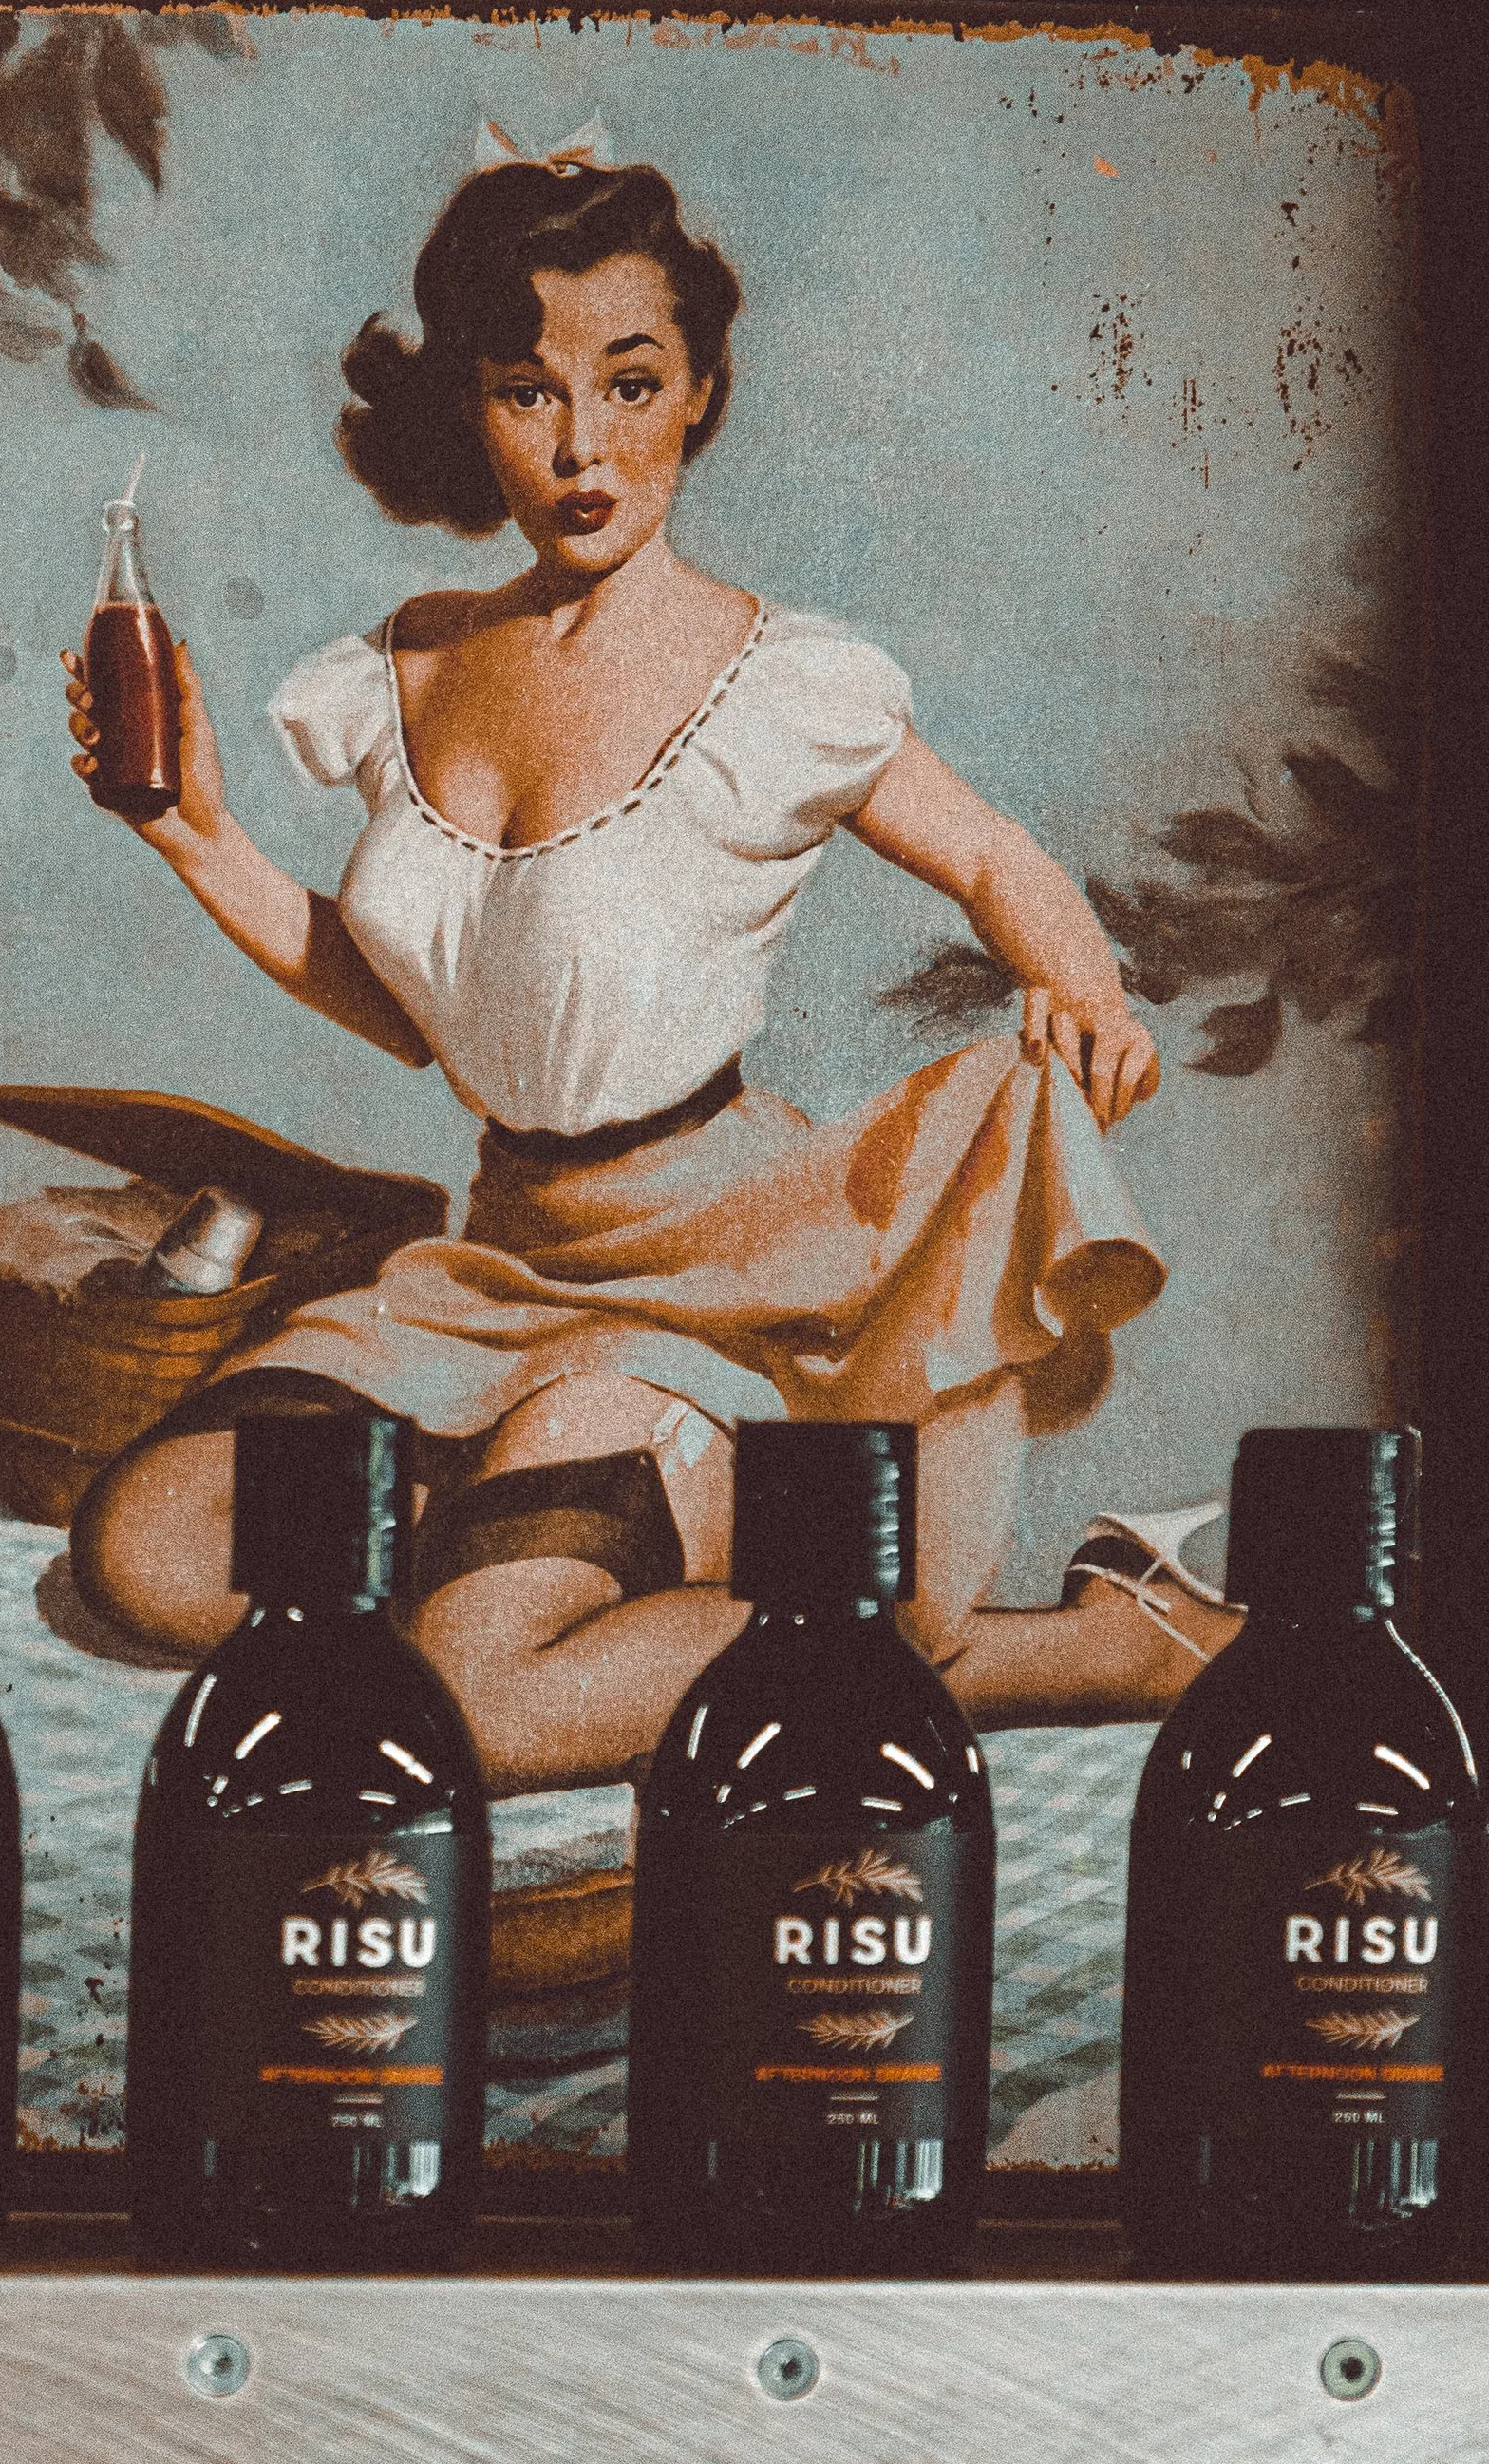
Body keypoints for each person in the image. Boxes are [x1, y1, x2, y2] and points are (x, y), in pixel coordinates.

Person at [62, 140, 1238, 1797]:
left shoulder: (778, 686)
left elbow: (991, 857)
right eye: (528, 391)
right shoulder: (406, 664)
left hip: (720, 1284)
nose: (584, 444)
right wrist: (197, 837)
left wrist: (1090, 995)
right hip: (497, 1272)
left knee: (466, 1709)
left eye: (630, 383)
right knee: (151, 1557)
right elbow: (409, 1006)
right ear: (468, 409)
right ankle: (709, 1579)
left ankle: (1024, 1641)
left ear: (699, 391)